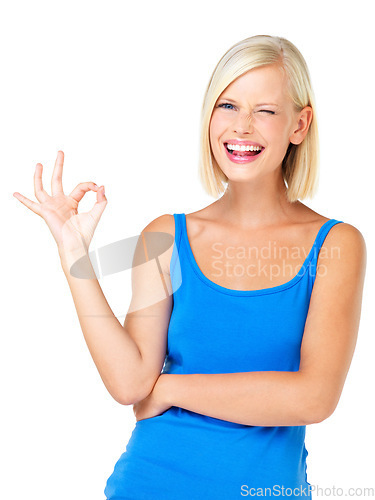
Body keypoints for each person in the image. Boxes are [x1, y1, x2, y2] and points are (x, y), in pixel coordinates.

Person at [13, 34, 367, 499]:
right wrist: (75, 255)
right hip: (148, 483)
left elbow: (313, 397)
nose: (241, 128)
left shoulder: (336, 245)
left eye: (265, 110)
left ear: (299, 125)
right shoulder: (165, 237)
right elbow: (130, 382)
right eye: (227, 106)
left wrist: (172, 390)